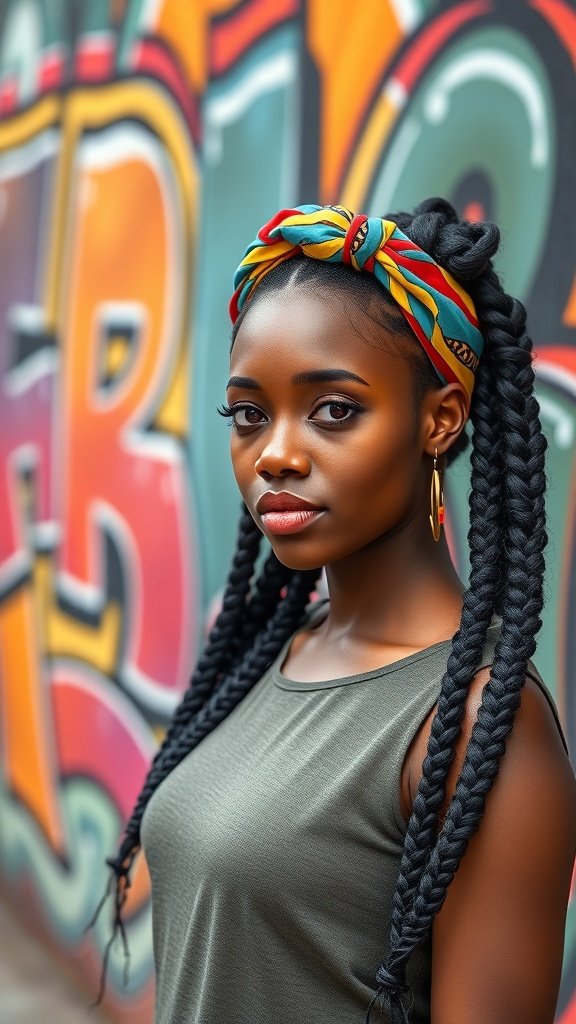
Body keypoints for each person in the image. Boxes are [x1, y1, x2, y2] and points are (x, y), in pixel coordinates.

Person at [100, 201, 576, 1023]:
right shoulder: (275, 648)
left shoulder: (478, 724)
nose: (276, 453)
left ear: (439, 419)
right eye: (250, 415)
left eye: (333, 411)